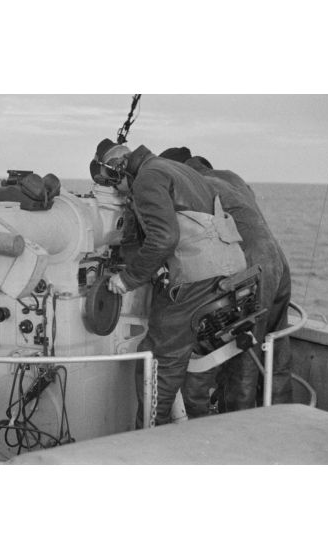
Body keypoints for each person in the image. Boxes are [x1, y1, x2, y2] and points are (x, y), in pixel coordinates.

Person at [90, 139, 247, 425]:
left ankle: (152, 433)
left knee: (157, 360)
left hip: (199, 277)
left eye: (112, 182)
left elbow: (164, 238)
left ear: (118, 169)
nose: (116, 190)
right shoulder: (174, 168)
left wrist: (127, 279)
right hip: (230, 271)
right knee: (186, 355)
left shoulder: (146, 179)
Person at [159, 147, 294, 411]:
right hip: (277, 260)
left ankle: (235, 427)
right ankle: (281, 418)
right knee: (276, 349)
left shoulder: (191, 186)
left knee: (242, 357)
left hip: (249, 266)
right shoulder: (231, 177)